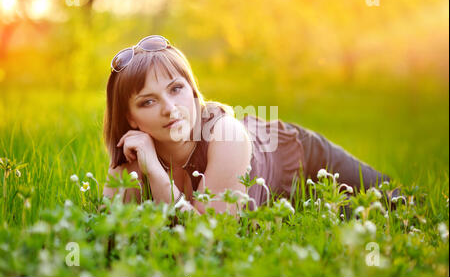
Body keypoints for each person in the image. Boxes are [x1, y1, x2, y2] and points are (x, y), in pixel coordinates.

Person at [102, 35, 398, 216]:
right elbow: (107, 235)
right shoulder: (132, 160)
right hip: (276, 201)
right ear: (131, 119)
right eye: (148, 102)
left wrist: (155, 171)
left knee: (400, 206)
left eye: (176, 88)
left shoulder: (226, 135)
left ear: (192, 91)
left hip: (304, 161)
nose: (170, 108)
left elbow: (210, 238)